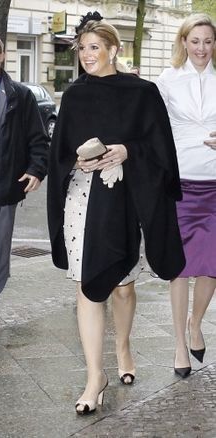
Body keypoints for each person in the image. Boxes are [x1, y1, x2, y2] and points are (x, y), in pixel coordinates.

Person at [47, 11, 185, 414]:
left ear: (113, 49)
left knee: (123, 286)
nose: (87, 55)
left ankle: (123, 347)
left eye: (94, 48)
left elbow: (162, 151)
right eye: (82, 49)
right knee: (87, 284)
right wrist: (78, 161)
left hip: (126, 199)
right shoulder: (73, 95)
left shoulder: (142, 92)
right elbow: (61, 153)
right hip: (82, 200)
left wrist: (128, 151)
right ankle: (95, 375)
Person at [156, 13, 216, 378]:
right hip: (180, 184)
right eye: (195, 41)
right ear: (183, 42)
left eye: (208, 41)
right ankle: (179, 342)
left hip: (215, 184)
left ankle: (196, 323)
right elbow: (150, 126)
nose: (202, 48)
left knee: (211, 265)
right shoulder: (166, 80)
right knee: (178, 269)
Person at [0, 33, 48, 327]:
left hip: (1, 176)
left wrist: (36, 169)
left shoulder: (20, 95)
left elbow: (38, 138)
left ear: (2, 56)